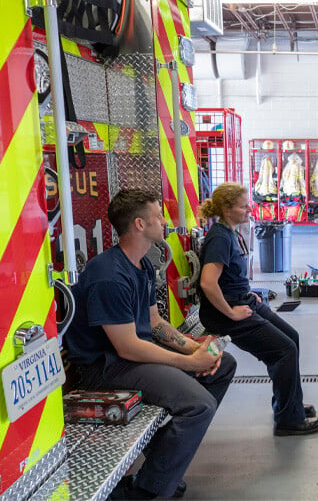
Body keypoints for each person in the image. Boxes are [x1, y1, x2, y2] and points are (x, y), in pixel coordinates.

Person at [65, 188, 236, 500]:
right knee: (199, 405)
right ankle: (146, 490)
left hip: (131, 356)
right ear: (140, 225)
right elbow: (128, 347)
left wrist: (192, 347)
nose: (165, 221)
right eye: (158, 215)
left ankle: (162, 464)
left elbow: (154, 323)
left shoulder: (141, 265)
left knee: (224, 364)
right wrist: (190, 362)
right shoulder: (109, 275)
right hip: (108, 368)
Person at [198, 182, 318, 435]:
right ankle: (288, 420)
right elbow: (208, 283)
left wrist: (246, 291)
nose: (250, 209)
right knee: (283, 350)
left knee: (292, 339)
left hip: (243, 299)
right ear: (226, 208)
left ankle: (290, 404)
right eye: (244, 206)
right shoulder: (219, 238)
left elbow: (229, 276)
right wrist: (231, 312)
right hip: (227, 312)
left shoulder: (230, 231)